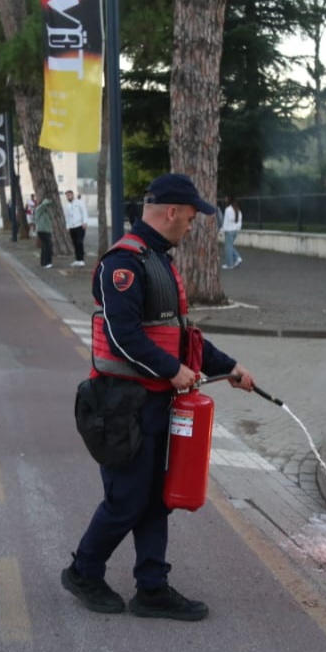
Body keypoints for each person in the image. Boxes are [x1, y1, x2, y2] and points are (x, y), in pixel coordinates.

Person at [61, 173, 256, 622]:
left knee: (154, 499)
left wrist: (227, 367)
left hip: (150, 404)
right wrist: (172, 371)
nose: (191, 227)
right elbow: (124, 336)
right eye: (189, 218)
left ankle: (152, 588)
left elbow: (180, 337)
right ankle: (83, 571)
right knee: (125, 500)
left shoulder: (157, 260)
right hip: (121, 406)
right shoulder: (123, 264)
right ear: (171, 212)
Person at [64, 189, 88, 267]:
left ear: (72, 195)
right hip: (72, 227)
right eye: (67, 196)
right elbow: (67, 217)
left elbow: (84, 212)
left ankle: (81, 260)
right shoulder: (67, 206)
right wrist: (67, 226)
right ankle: (77, 259)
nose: (68, 197)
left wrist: (85, 222)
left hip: (79, 226)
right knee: (75, 243)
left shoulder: (79, 202)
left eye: (69, 195)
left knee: (79, 242)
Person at [32, 193, 55, 268]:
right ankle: (48, 262)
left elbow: (52, 215)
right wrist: (48, 200)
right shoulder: (39, 209)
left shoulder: (46, 211)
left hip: (47, 230)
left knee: (45, 246)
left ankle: (43, 262)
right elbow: (44, 204)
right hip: (42, 230)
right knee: (48, 246)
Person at [221, 196, 243, 269]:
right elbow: (239, 223)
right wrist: (237, 229)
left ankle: (230, 264)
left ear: (229, 201)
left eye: (226, 199)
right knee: (230, 246)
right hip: (235, 231)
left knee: (228, 247)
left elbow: (225, 221)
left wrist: (223, 230)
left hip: (229, 231)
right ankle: (237, 258)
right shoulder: (238, 211)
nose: (225, 200)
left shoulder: (228, 210)